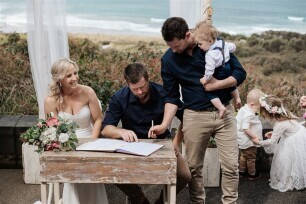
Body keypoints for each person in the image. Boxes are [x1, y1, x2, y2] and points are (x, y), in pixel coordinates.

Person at [149, 17, 246, 204]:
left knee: (231, 166)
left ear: (188, 35)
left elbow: (240, 73)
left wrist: (219, 84)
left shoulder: (212, 43)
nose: (174, 50)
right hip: (194, 116)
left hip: (224, 112)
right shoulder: (169, 59)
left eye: (177, 46)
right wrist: (164, 124)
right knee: (193, 168)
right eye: (171, 47)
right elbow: (171, 97)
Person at [101, 62, 191, 204]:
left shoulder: (164, 93)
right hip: (132, 146)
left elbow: (187, 119)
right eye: (135, 89)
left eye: (142, 87)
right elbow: (106, 129)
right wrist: (121, 131)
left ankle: (161, 201)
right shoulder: (119, 97)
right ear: (127, 83)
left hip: (163, 145)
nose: (140, 92)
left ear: (148, 79)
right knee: (111, 169)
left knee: (184, 175)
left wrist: (176, 142)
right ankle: (139, 199)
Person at [44, 58, 109, 204]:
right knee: (73, 174)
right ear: (59, 78)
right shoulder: (51, 100)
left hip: (90, 139)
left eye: (75, 73)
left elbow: (98, 119)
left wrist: (92, 142)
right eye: (69, 76)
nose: (74, 78)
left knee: (91, 176)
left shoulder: (88, 92)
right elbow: (52, 129)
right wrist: (63, 146)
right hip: (66, 145)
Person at [252, 94, 306, 192]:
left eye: (263, 113)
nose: (263, 115)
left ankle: (292, 179)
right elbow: (289, 128)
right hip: (298, 135)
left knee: (289, 160)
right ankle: (296, 176)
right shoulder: (285, 114)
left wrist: (258, 142)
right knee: (295, 160)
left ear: (269, 112)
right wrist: (273, 133)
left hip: (294, 141)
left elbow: (272, 142)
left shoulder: (280, 124)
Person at [193, 21, 241, 118]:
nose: (199, 47)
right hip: (228, 68)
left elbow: (209, 71)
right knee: (230, 86)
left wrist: (205, 79)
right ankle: (237, 98)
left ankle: (220, 107)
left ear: (210, 41)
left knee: (209, 91)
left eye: (200, 44)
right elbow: (233, 47)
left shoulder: (210, 54)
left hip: (219, 71)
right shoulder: (222, 43)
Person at [236, 89, 265, 181]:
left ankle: (241, 171)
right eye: (258, 107)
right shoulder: (249, 114)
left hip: (243, 141)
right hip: (249, 142)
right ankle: (252, 174)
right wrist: (254, 137)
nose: (259, 110)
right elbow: (245, 128)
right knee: (251, 158)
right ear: (252, 104)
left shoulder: (243, 109)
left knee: (244, 156)